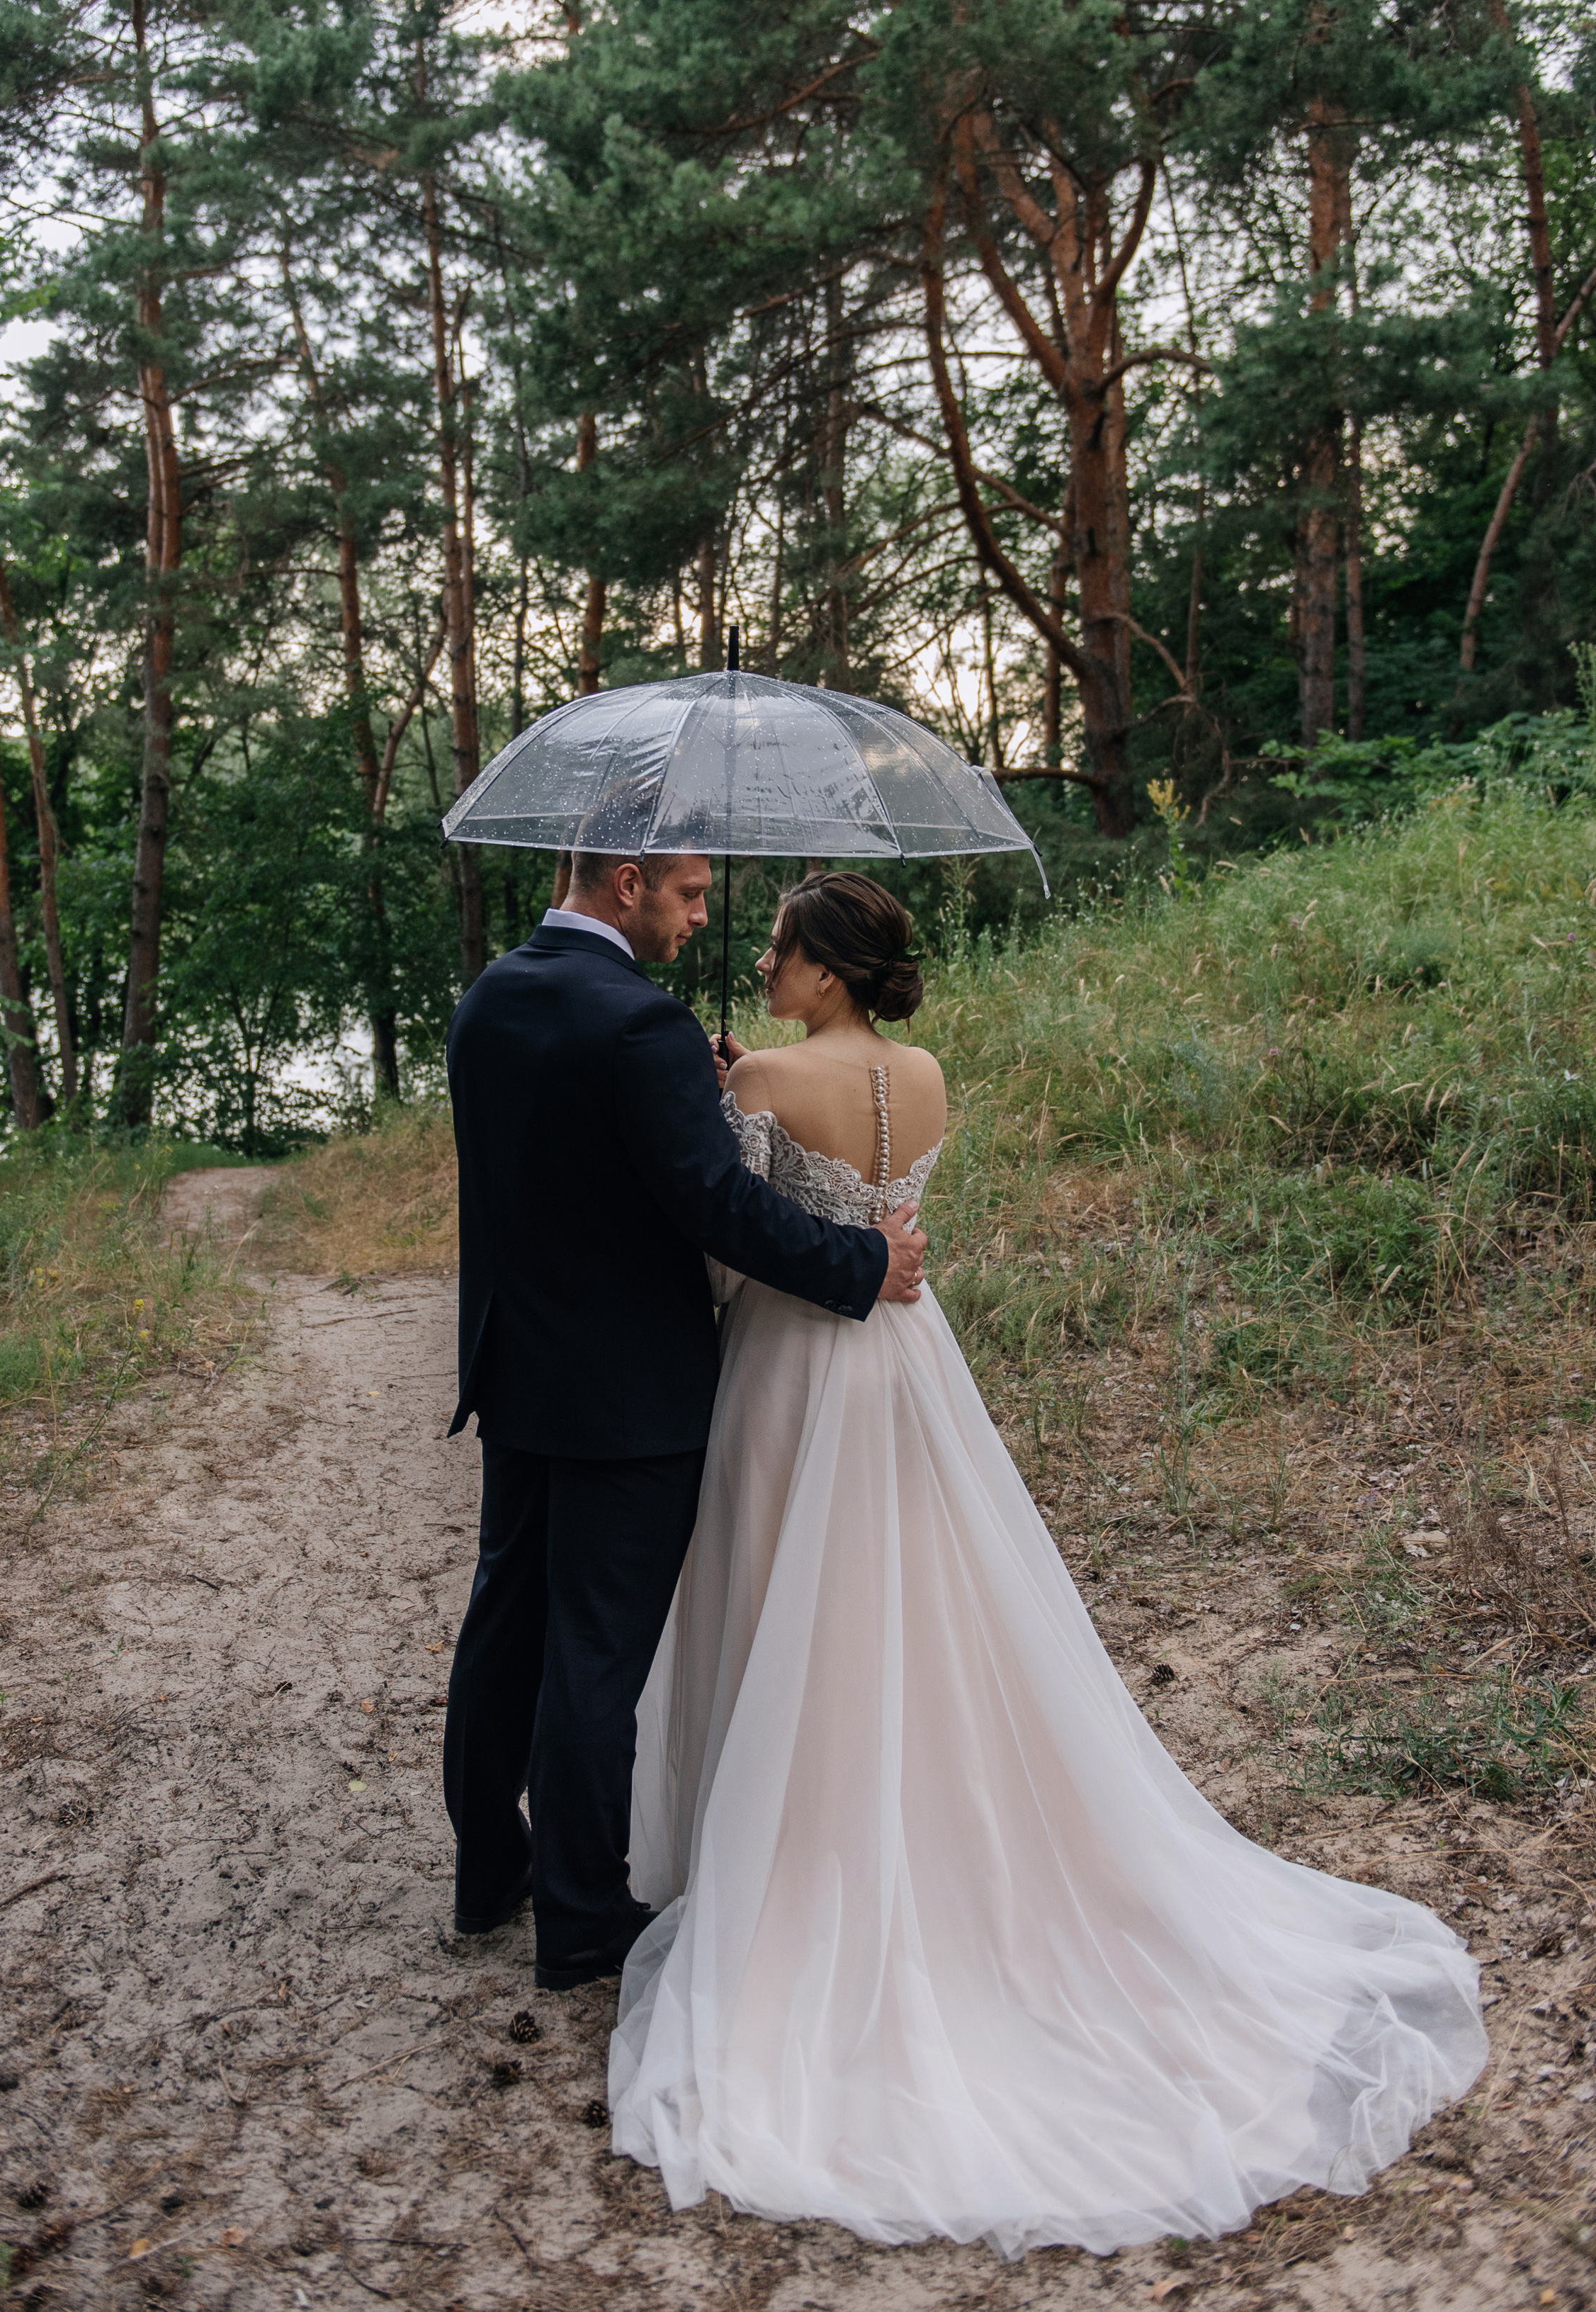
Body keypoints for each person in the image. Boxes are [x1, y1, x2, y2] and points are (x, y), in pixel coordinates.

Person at [611, 871, 1485, 2254]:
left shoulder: (765, 1075)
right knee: (909, 1599)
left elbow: (731, 1256)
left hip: (790, 1372)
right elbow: (882, 1223)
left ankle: (787, 1860)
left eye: (780, 950)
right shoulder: (927, 1070)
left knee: (787, 1594)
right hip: (906, 1362)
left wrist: (732, 1100)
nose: (766, 966)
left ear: (824, 972)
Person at [441, 847, 927, 1994]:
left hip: (518, 1371)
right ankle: (579, 1915)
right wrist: (867, 1258)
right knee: (596, 1655)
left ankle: (485, 1869)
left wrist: (686, 1090)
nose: (704, 917)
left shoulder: (490, 998)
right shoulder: (641, 1025)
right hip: (631, 1394)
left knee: (504, 1624)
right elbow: (718, 1203)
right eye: (692, 894)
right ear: (626, 882)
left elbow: (569, 1163)